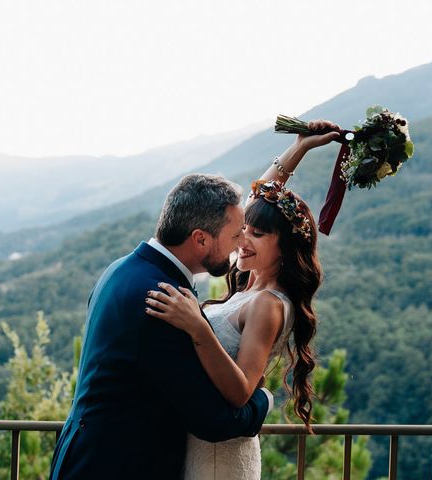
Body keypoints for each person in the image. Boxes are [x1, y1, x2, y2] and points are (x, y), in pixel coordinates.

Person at [145, 120, 340, 479]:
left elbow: (239, 391)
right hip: (194, 443)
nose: (242, 239)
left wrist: (194, 326)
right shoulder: (248, 288)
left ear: (284, 249)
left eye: (258, 234)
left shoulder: (268, 304)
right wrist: (300, 148)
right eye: (243, 230)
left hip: (219, 460)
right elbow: (257, 202)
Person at [49, 174, 274, 480]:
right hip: (119, 467)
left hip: (81, 456)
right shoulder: (163, 300)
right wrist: (263, 401)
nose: (241, 245)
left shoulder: (121, 268)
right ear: (200, 239)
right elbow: (213, 421)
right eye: (235, 236)